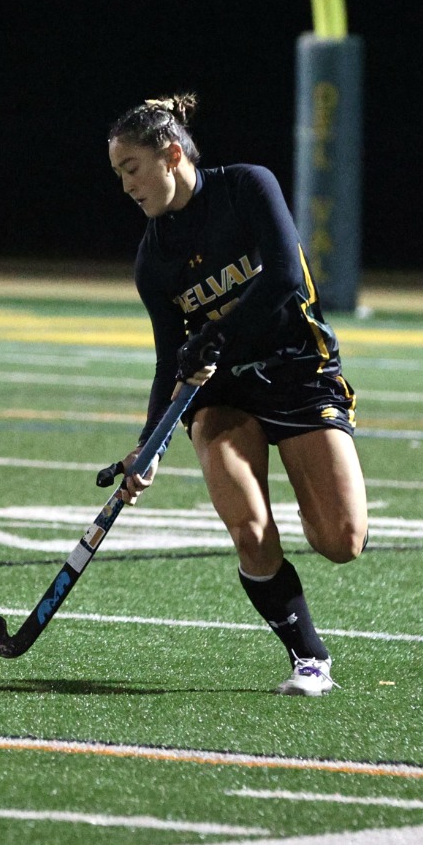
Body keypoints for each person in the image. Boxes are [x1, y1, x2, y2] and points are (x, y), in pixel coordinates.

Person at [110, 95, 368, 696]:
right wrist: (146, 448)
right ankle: (310, 659)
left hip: (299, 368)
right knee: (249, 528)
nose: (125, 186)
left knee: (341, 541)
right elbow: (165, 360)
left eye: (131, 168)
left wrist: (218, 333)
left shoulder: (249, 187)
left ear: (171, 155)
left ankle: (324, 495)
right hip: (223, 395)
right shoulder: (154, 259)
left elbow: (281, 276)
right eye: (118, 173)